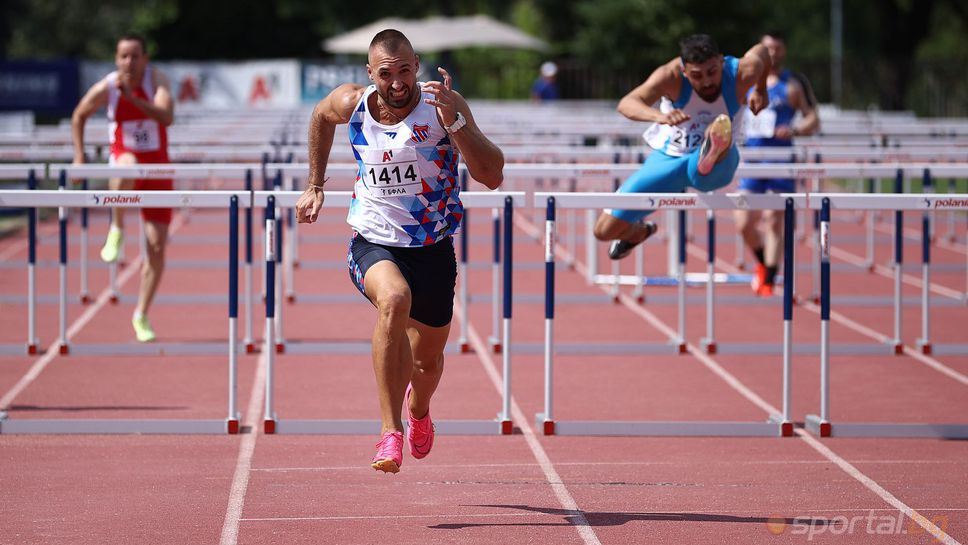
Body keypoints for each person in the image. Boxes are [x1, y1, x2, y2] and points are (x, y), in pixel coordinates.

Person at [295, 29, 504, 474]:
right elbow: (319, 115)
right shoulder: (353, 103)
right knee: (393, 299)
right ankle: (389, 433)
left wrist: (457, 124)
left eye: (404, 70)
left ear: (417, 67)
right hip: (372, 240)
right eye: (385, 73)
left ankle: (419, 411)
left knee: (427, 362)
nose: (396, 82)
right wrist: (315, 184)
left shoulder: (443, 105)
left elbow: (492, 175)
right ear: (370, 74)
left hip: (433, 249)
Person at [593, 34, 770, 259]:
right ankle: (639, 233)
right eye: (696, 76)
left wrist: (761, 89)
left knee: (713, 141)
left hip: (719, 164)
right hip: (669, 159)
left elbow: (763, 51)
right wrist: (658, 116)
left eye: (712, 72)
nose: (706, 81)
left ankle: (712, 148)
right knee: (603, 230)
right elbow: (627, 103)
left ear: (722, 62)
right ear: (684, 71)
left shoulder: (742, 71)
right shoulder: (670, 76)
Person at [72, 33, 175, 342]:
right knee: (127, 163)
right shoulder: (108, 87)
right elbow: (79, 115)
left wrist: (133, 100)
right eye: (123, 56)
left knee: (156, 248)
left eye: (134, 56)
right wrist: (79, 155)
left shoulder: (157, 81)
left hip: (157, 169)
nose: (129, 62)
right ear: (117, 60)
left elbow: (167, 117)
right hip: (125, 164)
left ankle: (141, 314)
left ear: (145, 59)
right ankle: (117, 227)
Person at [735, 32, 819, 296]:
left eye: (777, 48)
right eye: (767, 48)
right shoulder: (745, 81)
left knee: (774, 221)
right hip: (752, 161)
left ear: (783, 51)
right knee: (743, 222)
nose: (772, 53)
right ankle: (763, 263)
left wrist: (794, 130)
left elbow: (812, 118)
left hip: (781, 161)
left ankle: (770, 279)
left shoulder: (793, 83)